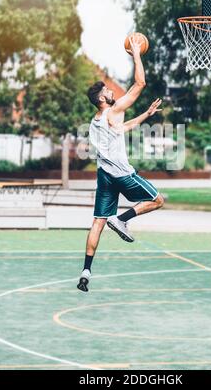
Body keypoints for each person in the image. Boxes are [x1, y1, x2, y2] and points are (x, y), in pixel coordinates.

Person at [77, 35, 164, 292]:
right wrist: (136, 52)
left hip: (104, 175)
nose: (112, 91)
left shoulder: (97, 120)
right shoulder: (112, 111)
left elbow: (122, 128)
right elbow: (140, 82)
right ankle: (123, 219)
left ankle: (85, 272)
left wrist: (146, 114)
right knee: (157, 200)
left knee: (97, 222)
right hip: (121, 173)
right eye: (107, 91)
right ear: (102, 100)